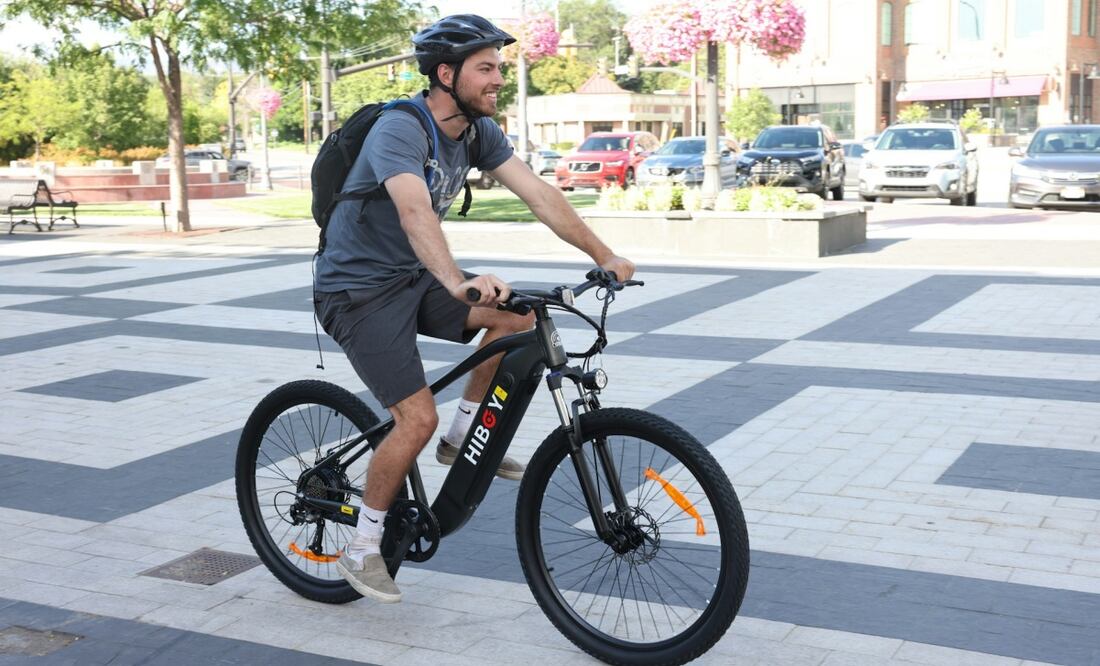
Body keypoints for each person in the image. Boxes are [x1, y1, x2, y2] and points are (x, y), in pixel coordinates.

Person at [313, 14, 635, 604]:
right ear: (446, 74)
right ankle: (362, 548)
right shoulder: (399, 128)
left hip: (412, 277)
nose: (498, 80)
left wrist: (605, 254)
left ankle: (461, 434)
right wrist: (457, 282)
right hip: (356, 291)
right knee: (415, 419)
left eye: (498, 68)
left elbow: (540, 194)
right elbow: (415, 211)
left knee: (518, 318)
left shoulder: (478, 131)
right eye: (485, 68)